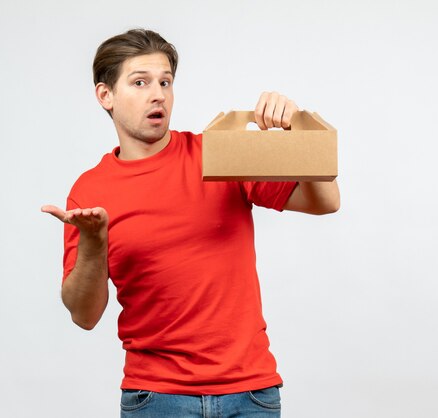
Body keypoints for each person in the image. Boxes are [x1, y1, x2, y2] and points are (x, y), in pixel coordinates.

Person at [41, 28, 339, 417]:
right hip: (156, 398)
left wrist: (295, 129)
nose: (158, 94)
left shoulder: (217, 155)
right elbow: (84, 315)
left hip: (250, 393)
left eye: (165, 82)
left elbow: (327, 201)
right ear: (105, 96)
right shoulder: (89, 190)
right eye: (140, 82)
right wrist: (94, 243)